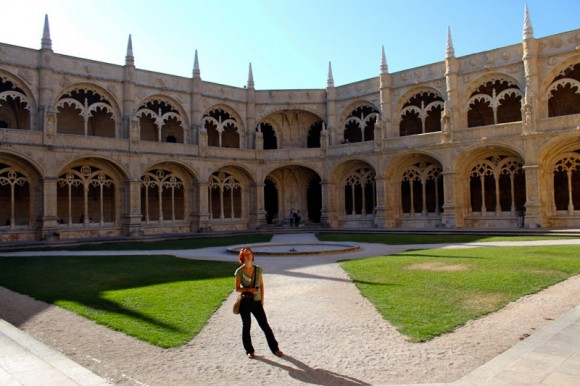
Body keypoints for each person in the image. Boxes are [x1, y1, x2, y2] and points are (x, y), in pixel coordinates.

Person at [235, 247, 283, 359]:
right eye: (246, 254)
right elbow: (237, 288)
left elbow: (261, 285)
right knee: (246, 326)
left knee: (265, 326)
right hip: (245, 302)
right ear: (242, 257)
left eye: (250, 254)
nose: (248, 256)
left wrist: (262, 299)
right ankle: (249, 350)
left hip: (256, 301)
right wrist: (248, 290)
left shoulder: (258, 269)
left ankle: (275, 349)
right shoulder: (239, 271)